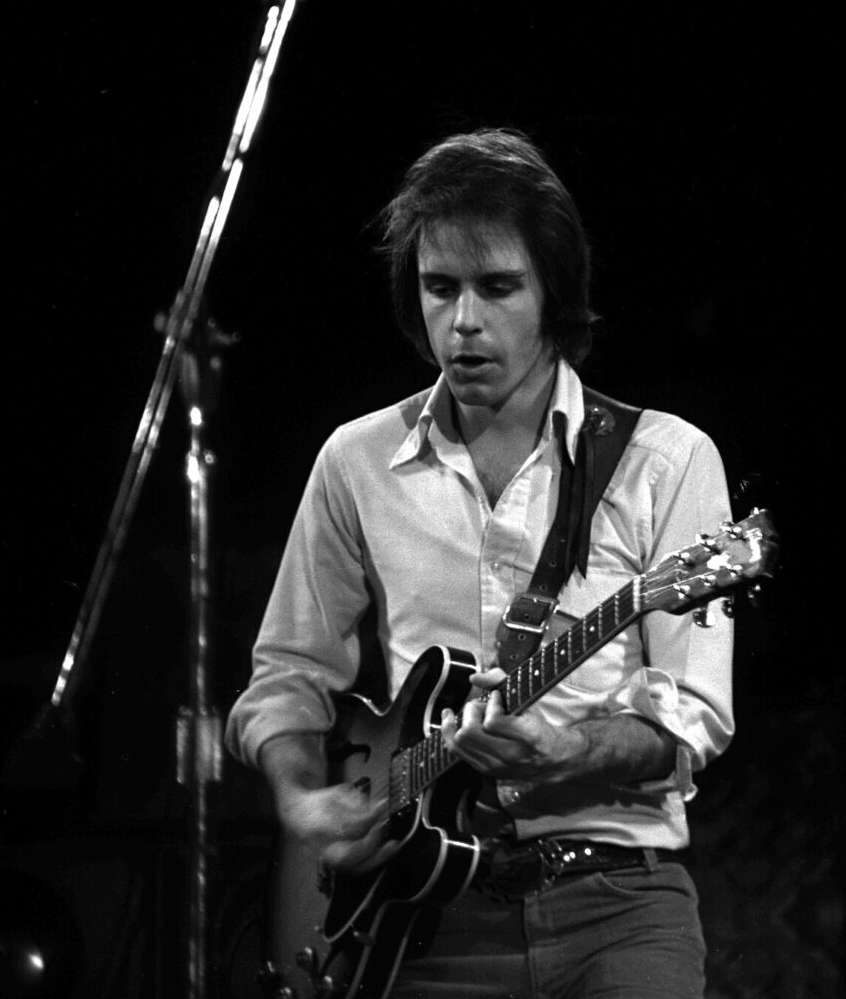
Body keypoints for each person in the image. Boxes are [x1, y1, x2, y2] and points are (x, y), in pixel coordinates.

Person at [225, 128, 734, 998]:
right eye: (438, 289)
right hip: (415, 919)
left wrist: (565, 750)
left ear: (552, 295)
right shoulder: (354, 462)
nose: (463, 322)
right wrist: (303, 801)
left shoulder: (666, 460)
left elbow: (690, 716)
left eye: (497, 288)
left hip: (617, 903)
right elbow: (287, 677)